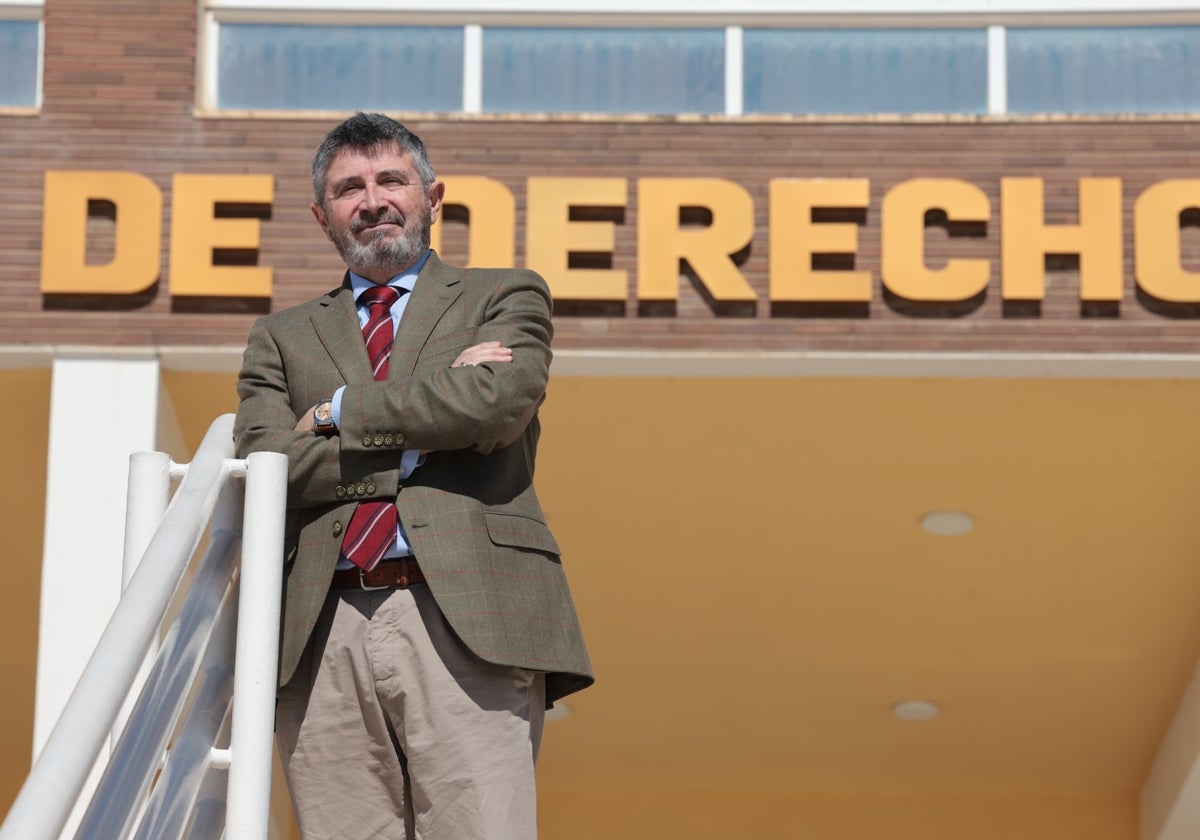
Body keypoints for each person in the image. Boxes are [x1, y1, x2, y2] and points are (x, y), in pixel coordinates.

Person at [233, 112, 593, 840]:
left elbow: (493, 406)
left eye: (390, 179)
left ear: (433, 196)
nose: (371, 200)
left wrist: (335, 412)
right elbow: (269, 469)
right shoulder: (281, 337)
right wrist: (428, 426)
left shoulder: (504, 294)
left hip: (465, 616)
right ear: (320, 214)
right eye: (349, 189)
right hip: (320, 626)